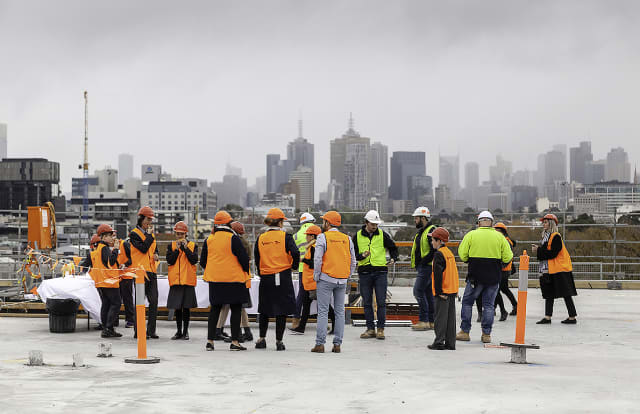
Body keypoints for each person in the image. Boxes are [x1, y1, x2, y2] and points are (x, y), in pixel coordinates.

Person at [456, 210, 513, 344]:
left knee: (467, 302)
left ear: (479, 222)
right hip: (494, 276)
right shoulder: (500, 237)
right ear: (492, 223)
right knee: (489, 305)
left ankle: (465, 332)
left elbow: (463, 254)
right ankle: (486, 335)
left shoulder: (471, 235)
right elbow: (508, 257)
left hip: (475, 276)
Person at [202, 211, 251, 351]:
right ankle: (235, 341)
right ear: (229, 223)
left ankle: (210, 341)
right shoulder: (233, 238)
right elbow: (243, 258)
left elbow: (203, 261)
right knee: (235, 309)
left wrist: (214, 269)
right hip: (234, 279)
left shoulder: (209, 239)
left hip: (215, 280)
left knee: (215, 309)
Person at [254, 208, 299, 351]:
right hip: (282, 276)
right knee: (282, 309)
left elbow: (257, 257)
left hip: (266, 276)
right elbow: (296, 253)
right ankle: (279, 341)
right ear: (280, 222)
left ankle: (261, 339)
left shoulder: (260, 238)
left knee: (265, 308)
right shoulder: (286, 237)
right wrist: (294, 266)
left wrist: (262, 271)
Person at [310, 211, 356, 354]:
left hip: (326, 278)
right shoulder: (347, 239)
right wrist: (347, 275)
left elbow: (317, 259)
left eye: (324, 221)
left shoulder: (322, 237)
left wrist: (317, 275)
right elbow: (353, 261)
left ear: (328, 223)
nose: (323, 223)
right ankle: (337, 344)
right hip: (341, 280)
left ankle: (320, 344)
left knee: (323, 311)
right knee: (339, 312)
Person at [353, 210, 398, 340]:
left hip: (380, 272)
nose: (374, 226)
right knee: (367, 302)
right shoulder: (357, 236)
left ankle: (380, 329)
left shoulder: (383, 235)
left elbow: (393, 248)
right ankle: (370, 329)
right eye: (372, 224)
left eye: (376, 224)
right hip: (365, 272)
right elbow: (352, 254)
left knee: (381, 302)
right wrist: (361, 256)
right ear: (366, 222)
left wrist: (393, 258)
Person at [289, 224, 335, 334]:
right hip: (309, 283)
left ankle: (335, 325)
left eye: (307, 235)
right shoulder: (312, 247)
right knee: (306, 305)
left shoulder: (315, 247)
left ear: (313, 236)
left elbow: (315, 264)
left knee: (325, 306)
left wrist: (303, 260)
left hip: (314, 283)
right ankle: (301, 327)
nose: (306, 237)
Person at [533, 213, 578, 325]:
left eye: (546, 222)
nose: (543, 224)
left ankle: (572, 317)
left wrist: (538, 250)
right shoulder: (546, 237)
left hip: (559, 269)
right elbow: (547, 253)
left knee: (566, 293)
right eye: (543, 222)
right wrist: (539, 250)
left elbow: (553, 253)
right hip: (550, 269)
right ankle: (548, 317)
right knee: (549, 293)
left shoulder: (555, 236)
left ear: (551, 223)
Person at [218, 221, 254, 343]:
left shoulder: (236, 242)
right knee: (240, 307)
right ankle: (247, 332)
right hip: (243, 278)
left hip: (235, 278)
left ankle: (235, 333)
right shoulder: (245, 242)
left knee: (234, 306)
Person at [85, 224, 121, 338]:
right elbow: (110, 262)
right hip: (109, 281)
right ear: (104, 237)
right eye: (110, 235)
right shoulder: (104, 248)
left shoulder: (100, 248)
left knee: (106, 304)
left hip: (102, 281)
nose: (112, 237)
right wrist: (116, 249)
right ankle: (108, 328)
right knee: (116, 303)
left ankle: (106, 327)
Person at [129, 206, 159, 339]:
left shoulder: (150, 234)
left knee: (154, 301)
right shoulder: (134, 234)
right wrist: (149, 236)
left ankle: (151, 331)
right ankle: (139, 331)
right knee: (139, 302)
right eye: (148, 219)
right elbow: (143, 248)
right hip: (140, 272)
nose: (150, 222)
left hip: (151, 271)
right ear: (141, 219)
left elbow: (153, 249)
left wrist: (156, 254)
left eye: (151, 220)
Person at [166, 221, 199, 341]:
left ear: (186, 234)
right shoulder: (171, 245)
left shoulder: (192, 245)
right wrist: (177, 249)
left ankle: (186, 332)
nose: (179, 236)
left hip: (187, 280)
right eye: (177, 234)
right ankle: (179, 331)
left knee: (186, 308)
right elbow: (170, 260)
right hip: (176, 280)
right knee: (177, 308)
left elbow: (194, 260)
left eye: (181, 234)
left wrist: (185, 248)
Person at [428, 227, 459, 350]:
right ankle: (451, 343)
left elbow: (438, 275)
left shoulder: (439, 254)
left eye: (433, 240)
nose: (432, 242)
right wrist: (455, 290)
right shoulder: (449, 253)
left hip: (443, 292)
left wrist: (439, 291)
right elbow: (454, 273)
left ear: (439, 241)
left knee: (440, 318)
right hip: (451, 290)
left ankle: (439, 342)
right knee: (450, 319)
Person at [410, 206, 436, 331]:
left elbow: (434, 250)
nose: (415, 220)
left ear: (423, 218)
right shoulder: (422, 231)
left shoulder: (431, 230)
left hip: (427, 267)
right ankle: (432, 321)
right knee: (427, 293)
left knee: (418, 291)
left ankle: (424, 320)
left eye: (416, 218)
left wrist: (423, 262)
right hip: (424, 267)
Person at [291, 212, 316, 330]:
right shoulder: (317, 233)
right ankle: (324, 321)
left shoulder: (295, 236)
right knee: (320, 296)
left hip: (302, 269)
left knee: (301, 295)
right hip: (315, 268)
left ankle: (296, 320)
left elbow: (291, 252)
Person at [493, 222, 518, 320]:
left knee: (497, 290)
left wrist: (501, 265)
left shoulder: (505, 241)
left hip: (503, 270)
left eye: (498, 231)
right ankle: (515, 306)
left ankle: (499, 309)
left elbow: (507, 256)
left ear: (503, 232)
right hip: (504, 269)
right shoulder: (504, 240)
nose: (496, 232)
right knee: (503, 289)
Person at [116, 236, 135, 328]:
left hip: (126, 276)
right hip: (116, 276)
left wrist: (125, 264)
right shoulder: (109, 247)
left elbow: (133, 258)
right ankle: (114, 320)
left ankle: (130, 320)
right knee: (115, 299)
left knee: (127, 298)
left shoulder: (124, 244)